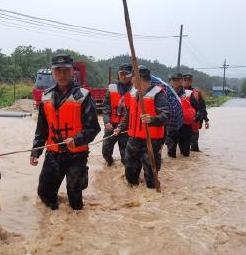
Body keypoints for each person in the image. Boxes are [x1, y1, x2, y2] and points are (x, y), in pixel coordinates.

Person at [30, 54, 100, 210]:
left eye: (65, 71)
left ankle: (76, 226)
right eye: (58, 71)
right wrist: (36, 151)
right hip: (53, 154)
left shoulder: (83, 96)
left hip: (77, 156)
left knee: (75, 199)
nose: (62, 75)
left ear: (72, 72)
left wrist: (77, 139)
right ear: (52, 73)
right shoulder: (46, 97)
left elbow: (94, 128)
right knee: (44, 193)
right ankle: (51, 224)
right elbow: (41, 129)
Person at [114, 66, 169, 189]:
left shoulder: (158, 94)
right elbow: (129, 114)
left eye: (132, 78)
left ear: (139, 78)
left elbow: (166, 116)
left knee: (151, 179)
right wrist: (120, 127)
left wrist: (152, 119)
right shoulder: (133, 92)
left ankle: (150, 201)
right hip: (133, 140)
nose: (131, 81)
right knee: (130, 175)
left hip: (151, 141)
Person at [101, 63, 133, 166]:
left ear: (131, 75)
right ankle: (110, 164)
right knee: (105, 152)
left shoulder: (135, 89)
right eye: (121, 74)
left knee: (126, 157)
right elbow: (106, 106)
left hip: (126, 127)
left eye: (126, 74)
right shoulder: (111, 88)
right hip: (111, 125)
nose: (123, 76)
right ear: (118, 74)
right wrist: (106, 121)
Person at [166, 73, 200, 158]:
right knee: (171, 154)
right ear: (171, 82)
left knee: (185, 153)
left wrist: (196, 117)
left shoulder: (188, 93)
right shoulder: (166, 92)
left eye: (178, 80)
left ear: (182, 81)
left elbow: (197, 108)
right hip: (171, 126)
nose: (176, 82)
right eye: (174, 80)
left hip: (185, 126)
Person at [183, 73, 209, 151]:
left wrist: (206, 120)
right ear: (182, 81)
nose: (187, 82)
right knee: (182, 143)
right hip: (182, 121)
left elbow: (202, 108)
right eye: (185, 80)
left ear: (192, 81)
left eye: (189, 80)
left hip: (195, 120)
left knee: (194, 145)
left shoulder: (197, 92)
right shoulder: (177, 92)